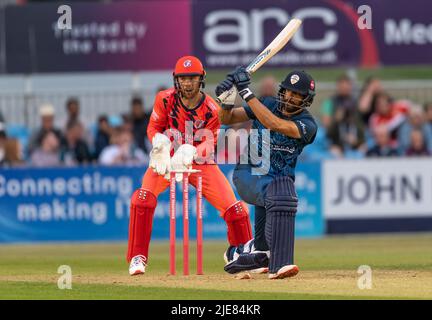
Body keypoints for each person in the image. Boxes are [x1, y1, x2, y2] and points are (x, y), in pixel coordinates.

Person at [126, 56, 253, 276]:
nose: (187, 83)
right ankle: (138, 257)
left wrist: (193, 151)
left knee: (237, 211)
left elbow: (211, 141)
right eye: (183, 79)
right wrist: (159, 143)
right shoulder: (164, 99)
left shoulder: (212, 108)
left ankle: (243, 255)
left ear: (201, 79)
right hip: (168, 159)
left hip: (200, 161)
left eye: (192, 78)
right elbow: (153, 127)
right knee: (142, 199)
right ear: (176, 80)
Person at [216, 67, 317, 279]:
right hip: (249, 173)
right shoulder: (267, 102)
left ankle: (239, 253)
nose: (291, 96)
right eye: (289, 91)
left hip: (277, 183)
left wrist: (245, 92)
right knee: (281, 193)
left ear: (306, 100)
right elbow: (227, 118)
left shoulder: (308, 125)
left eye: (298, 94)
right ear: (282, 91)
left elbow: (275, 124)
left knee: (264, 250)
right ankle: (280, 264)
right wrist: (227, 100)